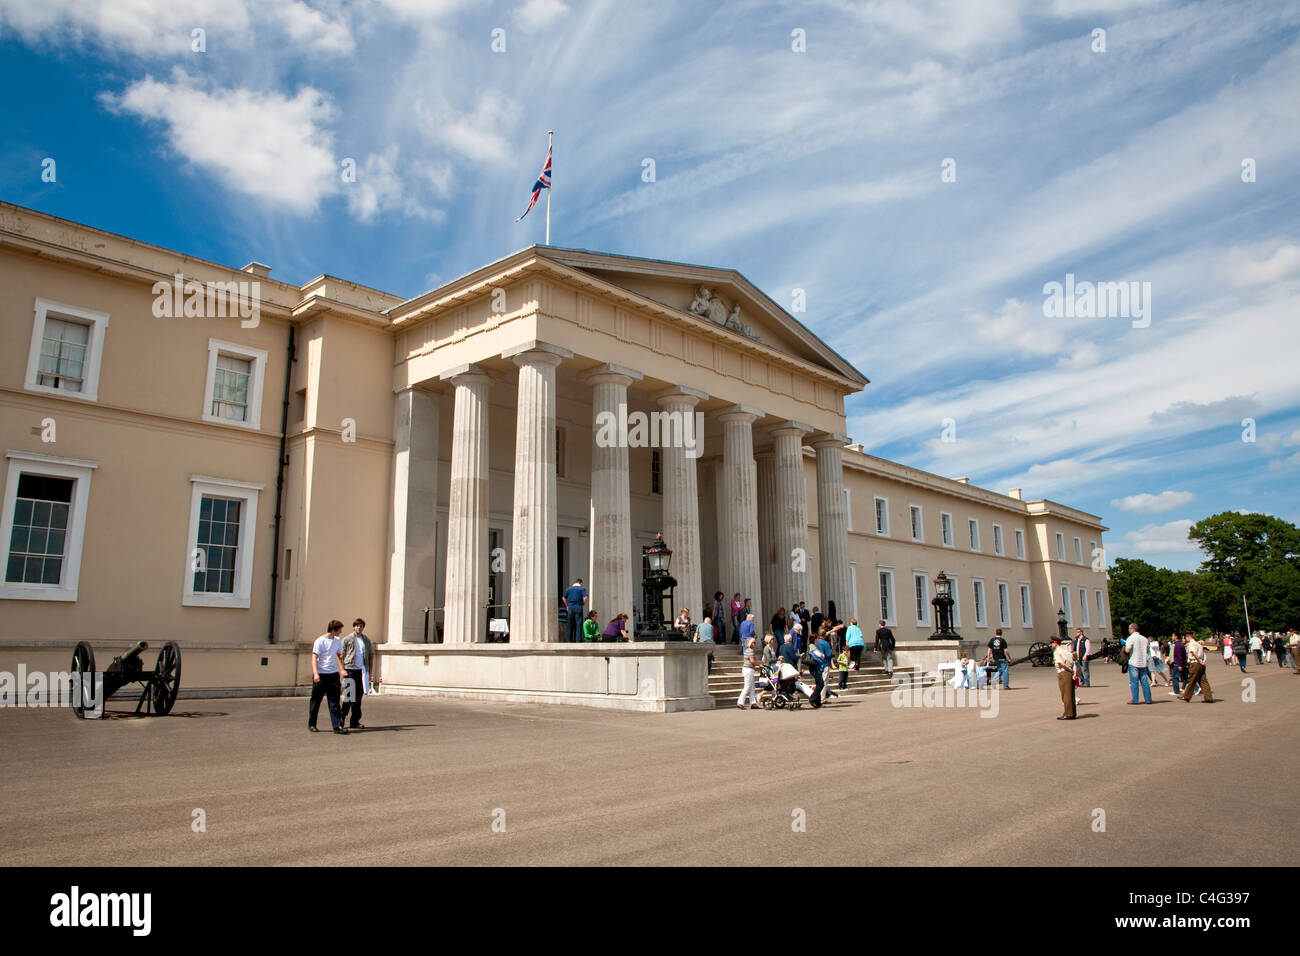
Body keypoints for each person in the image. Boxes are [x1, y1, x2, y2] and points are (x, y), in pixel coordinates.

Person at [309, 620, 348, 734]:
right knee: (316, 701)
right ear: (333, 630)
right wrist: (316, 674)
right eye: (339, 630)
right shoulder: (320, 641)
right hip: (321, 674)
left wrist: (341, 667)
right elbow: (314, 658)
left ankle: (337, 726)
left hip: (333, 674)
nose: (340, 632)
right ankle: (312, 724)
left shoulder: (337, 641)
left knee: (335, 701)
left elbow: (339, 655)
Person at [339, 618, 373, 730]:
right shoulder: (347, 639)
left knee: (358, 697)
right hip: (350, 670)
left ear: (363, 627)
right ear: (354, 627)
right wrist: (342, 669)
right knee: (348, 696)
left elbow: (370, 657)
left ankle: (355, 721)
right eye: (357, 626)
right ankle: (341, 720)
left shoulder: (366, 640)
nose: (359, 628)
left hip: (361, 671)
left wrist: (369, 673)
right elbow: (341, 655)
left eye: (361, 626)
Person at [1181, 633, 1215, 703]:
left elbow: (1193, 653)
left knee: (1192, 680)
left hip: (1195, 663)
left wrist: (1199, 661)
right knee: (1203, 681)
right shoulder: (1198, 644)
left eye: (1184, 638)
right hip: (1201, 664)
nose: (1183, 640)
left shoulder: (1191, 644)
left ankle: (1186, 696)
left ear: (1187, 637)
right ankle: (1208, 697)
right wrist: (1203, 661)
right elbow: (1204, 654)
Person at [1124, 623, 1152, 704]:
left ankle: (1135, 699)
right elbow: (1147, 650)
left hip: (1134, 662)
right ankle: (1148, 699)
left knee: (1134, 682)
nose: (1128, 630)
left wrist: (1124, 647)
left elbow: (1128, 650)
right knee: (1145, 681)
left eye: (1129, 628)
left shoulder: (1131, 638)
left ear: (1133, 629)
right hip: (1143, 662)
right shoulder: (1144, 639)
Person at [1051, 634, 1076, 720]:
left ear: (1055, 643)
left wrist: (1069, 670)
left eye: (1052, 643)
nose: (1051, 645)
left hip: (1063, 673)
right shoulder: (1063, 650)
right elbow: (1072, 659)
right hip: (1068, 673)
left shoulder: (1057, 652)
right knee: (1070, 693)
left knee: (1065, 694)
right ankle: (1072, 713)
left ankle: (1068, 714)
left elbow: (1061, 663)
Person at [560, 577, 588, 643]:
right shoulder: (582, 589)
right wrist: (583, 603)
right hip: (578, 607)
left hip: (570, 607)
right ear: (580, 583)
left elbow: (563, 598)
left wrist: (567, 605)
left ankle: (568, 640)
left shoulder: (569, 589)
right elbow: (585, 597)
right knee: (579, 624)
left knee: (569, 624)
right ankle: (578, 640)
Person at [737, 637, 759, 709]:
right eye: (753, 642)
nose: (755, 644)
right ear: (750, 643)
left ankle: (753, 702)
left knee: (752, 686)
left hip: (748, 669)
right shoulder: (750, 651)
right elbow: (752, 661)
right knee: (747, 686)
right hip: (748, 669)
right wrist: (759, 664)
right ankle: (740, 701)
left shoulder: (747, 650)